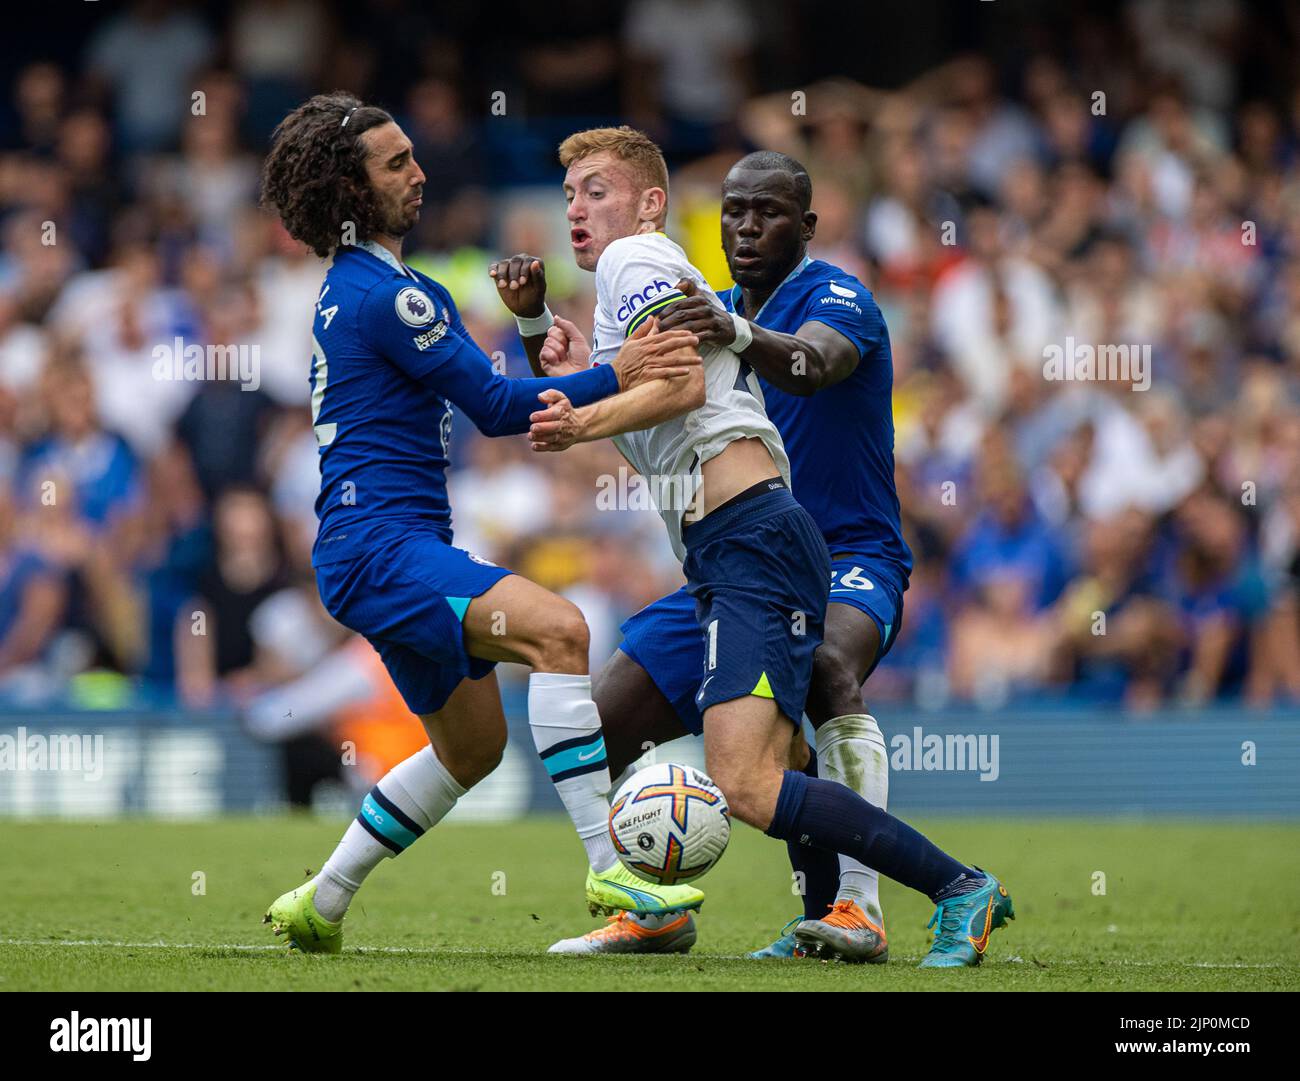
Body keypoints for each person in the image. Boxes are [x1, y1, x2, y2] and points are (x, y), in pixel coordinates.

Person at [492, 128, 1014, 967]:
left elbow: (798, 367)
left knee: (806, 695)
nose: (743, 227)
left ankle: (869, 902)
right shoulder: (697, 297)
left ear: (805, 225)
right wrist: (534, 329)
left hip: (829, 548)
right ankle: (659, 906)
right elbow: (631, 406)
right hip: (724, 559)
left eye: (766, 213)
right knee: (602, 725)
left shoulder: (826, 295)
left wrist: (711, 341)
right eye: (731, 212)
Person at [257, 94, 705, 953]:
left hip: (386, 548)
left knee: (472, 750)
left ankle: (324, 898)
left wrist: (547, 333)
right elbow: (502, 407)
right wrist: (620, 369)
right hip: (381, 547)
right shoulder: (391, 296)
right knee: (562, 630)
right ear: (351, 187)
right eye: (396, 164)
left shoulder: (377, 288)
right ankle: (609, 864)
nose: (420, 173)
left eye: (414, 156)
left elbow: (506, 392)